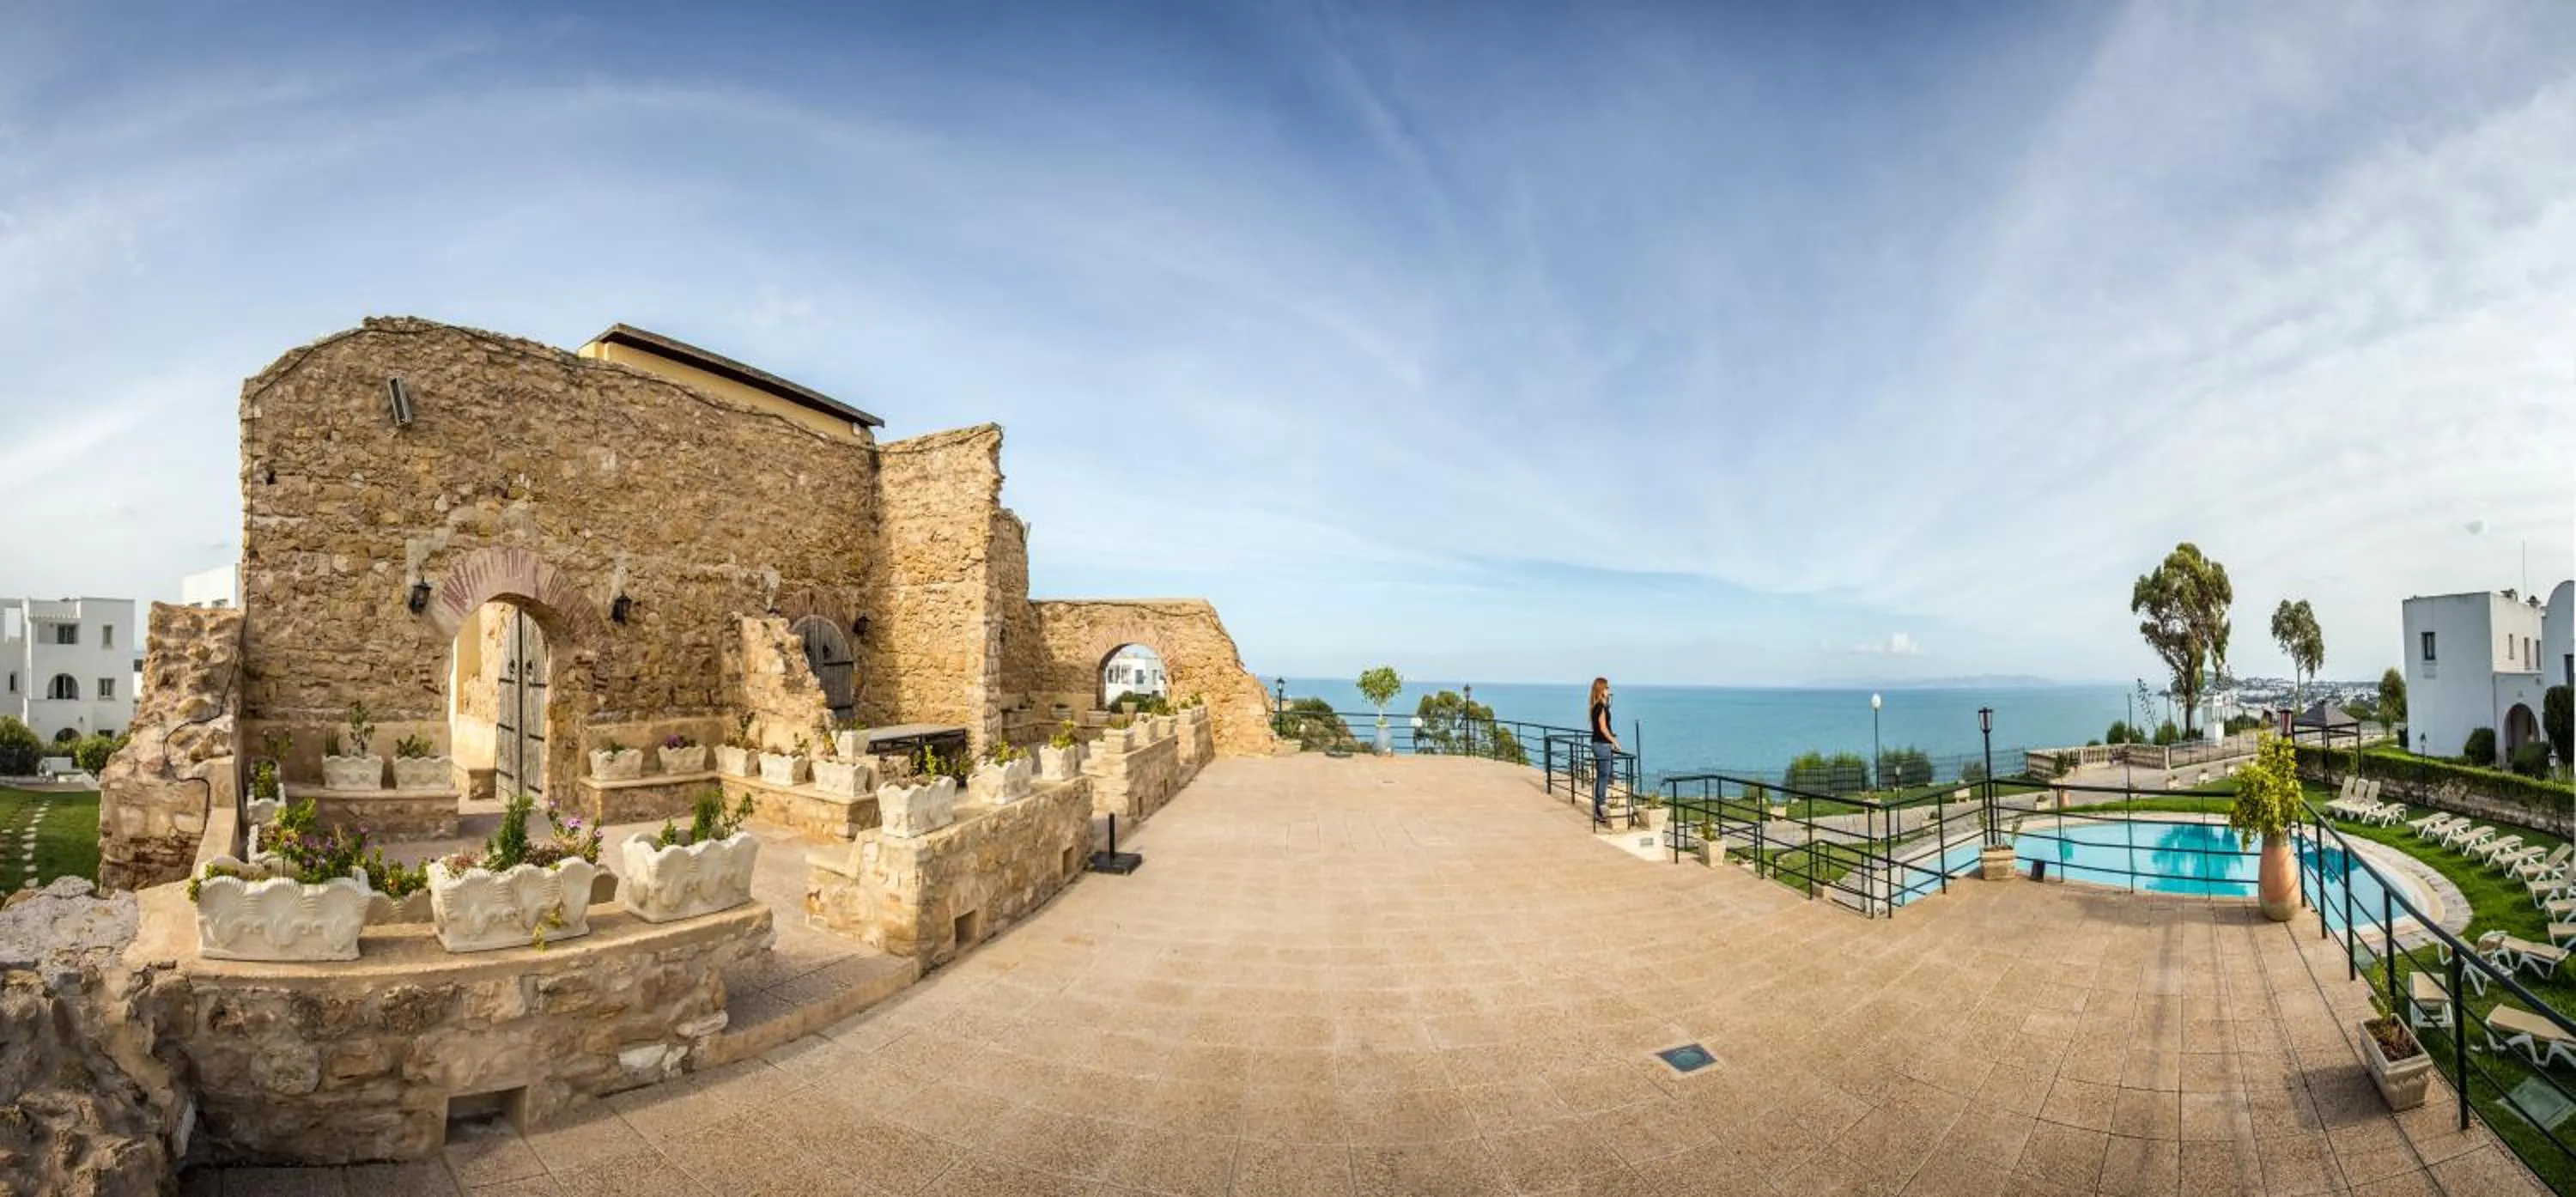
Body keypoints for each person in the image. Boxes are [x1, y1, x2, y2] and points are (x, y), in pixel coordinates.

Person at [1589, 677, 1623, 825]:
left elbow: (1603, 728)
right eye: (1607, 688)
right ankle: (1600, 810)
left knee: (1603, 777)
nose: (1609, 690)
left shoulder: (1598, 706)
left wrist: (1611, 739)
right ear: (1601, 690)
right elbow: (1603, 728)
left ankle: (1599, 809)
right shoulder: (1600, 707)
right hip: (1602, 745)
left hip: (1599, 744)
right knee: (1603, 778)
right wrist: (1614, 741)